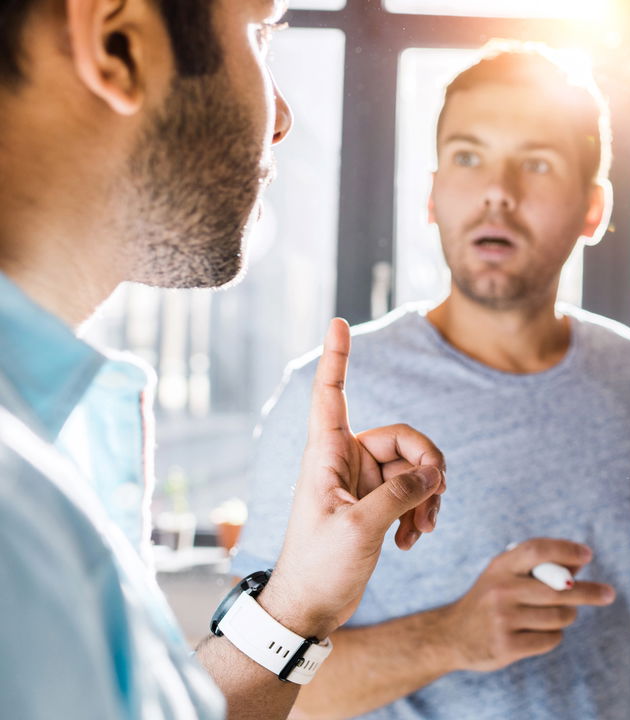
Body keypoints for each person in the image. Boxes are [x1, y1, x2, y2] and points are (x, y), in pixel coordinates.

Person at [232, 41, 630, 720]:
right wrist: (450, 637)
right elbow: (256, 683)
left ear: (593, 209)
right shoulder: (329, 399)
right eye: (469, 157)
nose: (499, 190)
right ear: (433, 196)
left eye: (537, 163)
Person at [0, 1, 447, 718]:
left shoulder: (54, 444)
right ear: (119, 44)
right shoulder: (16, 505)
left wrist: (297, 605)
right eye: (262, 34)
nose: (281, 120)